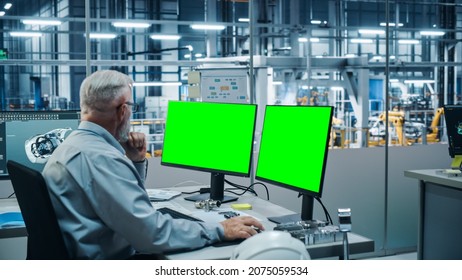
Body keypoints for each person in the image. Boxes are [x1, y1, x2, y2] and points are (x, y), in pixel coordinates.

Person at [42, 70, 264, 259]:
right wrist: (219, 229)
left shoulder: (75, 145)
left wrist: (136, 161)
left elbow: (128, 206)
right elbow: (152, 234)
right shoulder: (101, 159)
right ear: (122, 110)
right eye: (131, 106)